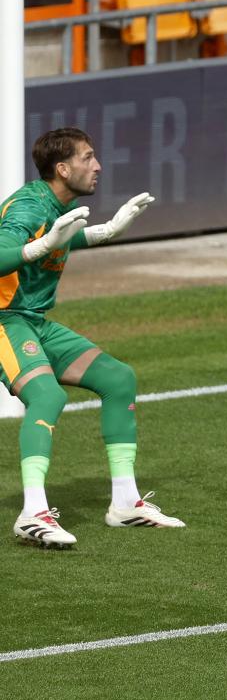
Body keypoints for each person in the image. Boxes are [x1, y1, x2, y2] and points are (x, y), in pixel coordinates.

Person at [1, 128, 182, 548]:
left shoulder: (55, 206)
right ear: (62, 169)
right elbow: (7, 251)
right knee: (47, 397)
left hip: (33, 321)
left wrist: (103, 232)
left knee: (118, 379)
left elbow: (60, 240)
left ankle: (125, 503)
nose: (97, 166)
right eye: (88, 158)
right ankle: (32, 514)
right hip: (3, 321)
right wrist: (40, 245)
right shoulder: (28, 207)